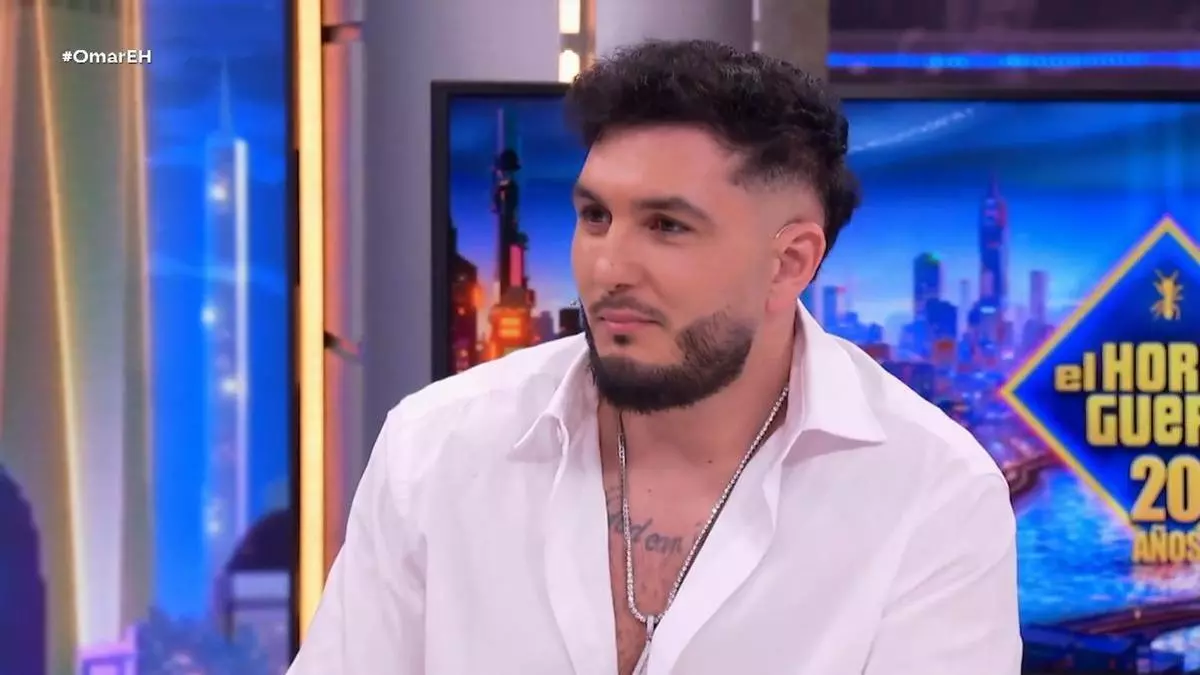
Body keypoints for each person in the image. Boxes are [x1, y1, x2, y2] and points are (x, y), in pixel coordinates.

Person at [289, 40, 1020, 675]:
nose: (607, 267)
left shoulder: (932, 494)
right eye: (595, 216)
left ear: (790, 262)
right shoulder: (435, 446)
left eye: (666, 225)